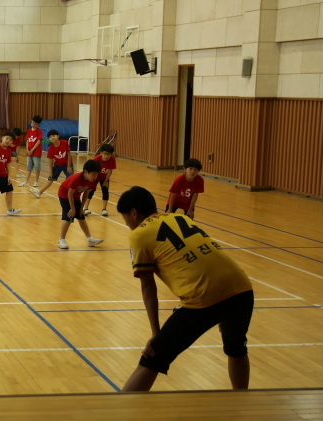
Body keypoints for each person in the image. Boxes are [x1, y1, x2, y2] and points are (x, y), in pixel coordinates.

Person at [117, 186, 253, 392]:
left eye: (125, 218)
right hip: (242, 289)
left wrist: (156, 334)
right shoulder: (182, 219)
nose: (126, 224)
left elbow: (148, 287)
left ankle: (119, 412)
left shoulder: (139, 235)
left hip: (202, 297)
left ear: (134, 213)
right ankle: (242, 400)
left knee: (152, 357)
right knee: (236, 348)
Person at [56, 161, 104, 250]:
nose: (95, 177)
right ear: (86, 172)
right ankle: (61, 240)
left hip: (76, 196)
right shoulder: (76, 178)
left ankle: (90, 239)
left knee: (81, 217)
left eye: (97, 174)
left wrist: (81, 208)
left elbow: (86, 193)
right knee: (69, 217)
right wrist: (73, 209)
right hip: (65, 195)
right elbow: (70, 194)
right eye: (93, 174)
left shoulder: (92, 181)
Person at [32, 129, 72, 199]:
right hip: (58, 165)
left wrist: (69, 166)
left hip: (67, 164)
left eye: (53, 136)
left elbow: (69, 154)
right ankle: (39, 192)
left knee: (70, 179)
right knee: (50, 178)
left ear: (58, 136)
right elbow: (51, 161)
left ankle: (69, 194)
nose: (52, 138)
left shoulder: (65, 143)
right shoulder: (50, 148)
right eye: (50, 137)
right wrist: (51, 172)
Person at [84, 144, 117, 216]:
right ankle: (85, 208)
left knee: (105, 190)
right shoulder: (96, 159)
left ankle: (104, 209)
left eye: (108, 154)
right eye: (104, 153)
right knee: (91, 191)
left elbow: (110, 170)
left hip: (104, 177)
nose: (106, 156)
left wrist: (106, 181)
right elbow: (93, 170)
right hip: (95, 177)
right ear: (101, 153)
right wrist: (92, 180)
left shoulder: (112, 160)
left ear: (111, 154)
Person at [19, 115, 44, 188]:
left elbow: (39, 141)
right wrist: (27, 150)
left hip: (36, 152)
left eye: (35, 124)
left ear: (38, 124)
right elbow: (27, 141)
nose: (33, 125)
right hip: (29, 153)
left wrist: (32, 150)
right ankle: (26, 182)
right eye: (32, 123)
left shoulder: (39, 131)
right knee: (29, 167)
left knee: (37, 167)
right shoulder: (29, 131)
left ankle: (36, 181)